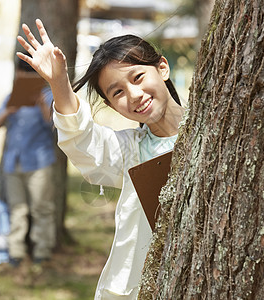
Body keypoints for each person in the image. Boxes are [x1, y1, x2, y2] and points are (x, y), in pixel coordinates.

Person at [17, 19, 185, 299]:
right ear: (111, 105)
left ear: (162, 68)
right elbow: (83, 141)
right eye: (117, 92)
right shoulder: (130, 152)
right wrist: (58, 82)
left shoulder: (213, 135)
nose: (134, 95)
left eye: (138, 77)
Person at [0, 59, 57, 266]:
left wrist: (41, 104)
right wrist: (8, 111)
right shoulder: (11, 98)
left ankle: (42, 251)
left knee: (41, 208)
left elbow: (55, 127)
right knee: (16, 208)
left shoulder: (47, 95)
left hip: (39, 162)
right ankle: (16, 252)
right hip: (13, 162)